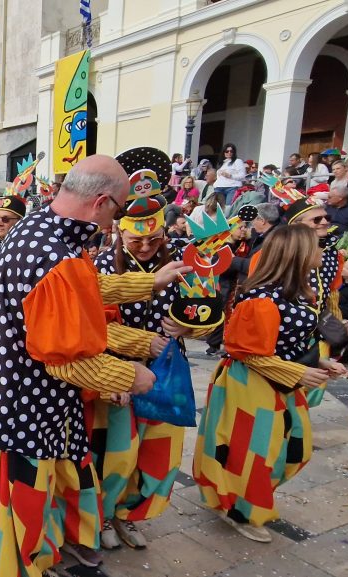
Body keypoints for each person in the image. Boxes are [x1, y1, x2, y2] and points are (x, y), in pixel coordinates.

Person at [0, 155, 189, 577]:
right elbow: (66, 362)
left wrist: (148, 282)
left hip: (13, 402)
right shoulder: (52, 251)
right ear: (99, 203)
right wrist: (133, 375)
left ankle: (46, 555)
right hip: (17, 411)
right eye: (117, 207)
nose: (116, 220)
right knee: (15, 521)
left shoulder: (37, 228)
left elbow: (82, 286)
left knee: (37, 504)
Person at [194, 225, 344, 542]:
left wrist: (318, 361)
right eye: (316, 245)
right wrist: (299, 373)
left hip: (278, 384)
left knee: (291, 450)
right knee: (254, 455)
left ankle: (242, 502)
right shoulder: (262, 299)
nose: (322, 251)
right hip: (249, 386)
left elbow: (283, 342)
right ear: (298, 252)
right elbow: (247, 352)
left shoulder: (294, 291)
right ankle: (239, 510)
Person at [91, 165, 208, 552]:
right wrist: (142, 346)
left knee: (159, 455)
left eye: (153, 239)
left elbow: (208, 320)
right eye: (136, 240)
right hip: (120, 373)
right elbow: (93, 328)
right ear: (120, 233)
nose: (144, 247)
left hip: (167, 376)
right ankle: (103, 516)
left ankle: (130, 514)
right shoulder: (102, 268)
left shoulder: (180, 266)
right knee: (118, 456)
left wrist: (189, 329)